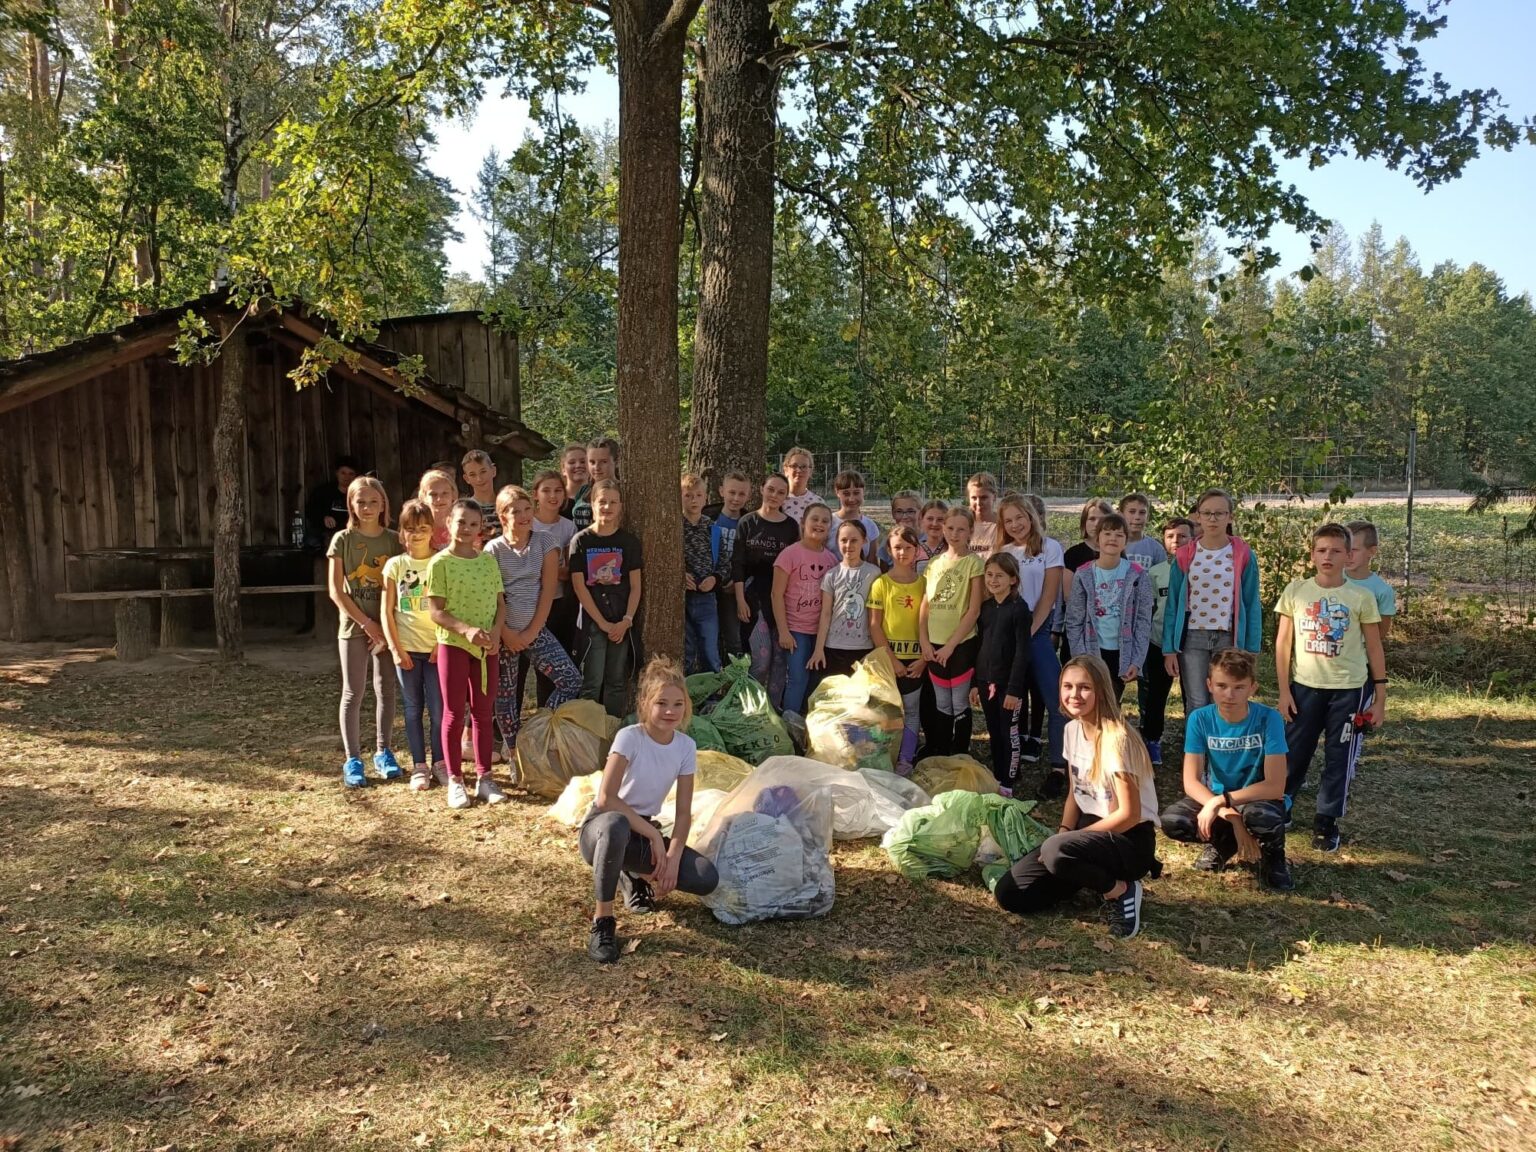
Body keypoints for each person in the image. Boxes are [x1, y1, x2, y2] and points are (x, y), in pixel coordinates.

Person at [994, 655, 1159, 938]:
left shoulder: (1117, 738)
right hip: (1087, 835)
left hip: (1129, 838)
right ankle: (1088, 876)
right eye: (1067, 686)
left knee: (1056, 851)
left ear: (1101, 690)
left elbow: (1129, 814)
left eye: (1084, 687)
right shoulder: (1072, 729)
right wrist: (1063, 833)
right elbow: (1074, 792)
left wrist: (1063, 845)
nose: (1074, 695)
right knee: (1010, 892)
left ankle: (1121, 890)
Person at [580, 656, 719, 964]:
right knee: (616, 824)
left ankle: (630, 872)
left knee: (705, 877)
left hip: (640, 832)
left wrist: (672, 858)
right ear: (644, 702)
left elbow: (683, 813)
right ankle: (603, 921)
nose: (670, 711)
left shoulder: (685, 747)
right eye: (661, 703)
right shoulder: (630, 737)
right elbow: (606, 798)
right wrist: (654, 838)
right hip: (602, 829)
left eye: (678, 704)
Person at [1275, 523, 1386, 852]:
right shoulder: (1296, 591)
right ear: (1312, 556)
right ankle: (1282, 804)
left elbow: (1375, 647)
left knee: (1339, 758)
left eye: (1336, 550)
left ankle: (1326, 820)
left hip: (1349, 691)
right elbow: (1283, 644)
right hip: (1304, 688)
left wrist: (1379, 697)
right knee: (1294, 752)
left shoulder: (1360, 597)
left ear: (1348, 555)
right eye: (1322, 550)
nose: (1328, 556)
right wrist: (1284, 691)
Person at [1159, 648, 1293, 890]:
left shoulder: (1269, 718)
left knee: (1261, 817)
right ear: (1209, 685)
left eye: (1238, 687)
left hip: (1257, 798)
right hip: (1221, 800)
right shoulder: (1200, 718)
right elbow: (1191, 782)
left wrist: (1221, 801)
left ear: (1253, 688)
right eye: (1222, 686)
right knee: (1173, 820)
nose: (1229, 695)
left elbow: (1275, 785)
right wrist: (1232, 818)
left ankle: (1274, 857)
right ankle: (1224, 843)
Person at [486, 485, 582, 762]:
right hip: (504, 634)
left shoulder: (545, 543)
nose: (524, 515)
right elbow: (493, 598)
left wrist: (530, 632)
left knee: (570, 679)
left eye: (528, 508)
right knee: (505, 696)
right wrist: (506, 634)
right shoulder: (493, 550)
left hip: (535, 630)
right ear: (503, 516)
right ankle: (515, 750)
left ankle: (538, 730)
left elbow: (548, 590)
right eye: (516, 511)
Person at [425, 500, 506, 810]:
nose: (467, 529)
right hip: (455, 645)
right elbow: (436, 611)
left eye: (473, 524)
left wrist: (496, 634)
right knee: (454, 712)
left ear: (480, 529)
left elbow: (501, 604)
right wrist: (466, 630)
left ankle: (486, 778)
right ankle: (456, 780)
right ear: (449, 523)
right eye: (461, 522)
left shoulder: (487, 561)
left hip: (486, 649)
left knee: (484, 713)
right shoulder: (440, 563)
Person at [327, 476, 404, 788]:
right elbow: (336, 590)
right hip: (354, 627)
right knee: (353, 692)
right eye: (361, 502)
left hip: (388, 628)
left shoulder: (395, 540)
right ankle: (353, 758)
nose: (368, 507)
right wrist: (366, 623)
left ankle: (384, 752)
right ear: (351, 505)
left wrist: (384, 625)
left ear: (383, 504)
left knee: (386, 689)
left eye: (374, 501)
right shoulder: (342, 540)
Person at [1162, 488, 1263, 714]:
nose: (1212, 519)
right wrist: (1169, 648)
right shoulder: (1185, 554)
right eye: (1206, 513)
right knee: (1197, 701)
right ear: (1197, 516)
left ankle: (1222, 748)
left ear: (1230, 516)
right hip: (1193, 639)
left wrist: (1251, 647)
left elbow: (1251, 602)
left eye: (1219, 513)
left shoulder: (1243, 553)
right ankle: (1196, 749)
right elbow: (1173, 604)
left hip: (1228, 637)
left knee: (1224, 699)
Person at [993, 495, 1067, 787]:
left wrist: (1027, 635)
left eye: (1019, 518)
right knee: (1010, 699)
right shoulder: (1003, 550)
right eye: (1008, 521)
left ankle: (1060, 765)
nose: (1015, 525)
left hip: (1035, 633)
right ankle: (1008, 759)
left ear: (1031, 516)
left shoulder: (1050, 548)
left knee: (1057, 699)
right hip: (1007, 634)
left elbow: (1048, 598)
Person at [382, 499, 446, 791]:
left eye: (422, 528)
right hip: (406, 651)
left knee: (438, 709)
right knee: (411, 709)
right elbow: (387, 610)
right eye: (410, 529)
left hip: (436, 650)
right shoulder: (395, 565)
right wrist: (395, 649)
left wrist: (440, 644)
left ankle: (441, 763)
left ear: (432, 530)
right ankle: (419, 765)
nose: (416, 534)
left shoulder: (442, 561)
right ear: (402, 533)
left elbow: (450, 607)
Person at [569, 480, 643, 718]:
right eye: (602, 501)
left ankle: (612, 732)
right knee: (592, 680)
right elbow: (580, 588)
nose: (607, 507)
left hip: (622, 622)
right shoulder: (581, 541)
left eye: (613, 502)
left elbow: (635, 586)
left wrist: (626, 620)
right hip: (594, 623)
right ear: (592, 504)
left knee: (617, 681)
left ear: (621, 506)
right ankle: (588, 734)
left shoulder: (629, 542)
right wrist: (602, 623)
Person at [1064, 512, 1153, 704]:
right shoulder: (1084, 574)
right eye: (1107, 533)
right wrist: (1080, 657)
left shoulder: (1137, 575)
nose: (1113, 538)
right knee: (1090, 703)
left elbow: (1144, 620)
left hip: (1122, 652)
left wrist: (1136, 660)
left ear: (1126, 541)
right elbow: (1074, 620)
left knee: (1111, 704)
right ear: (1097, 539)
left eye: (1119, 535)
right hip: (1092, 650)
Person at [919, 508, 986, 756]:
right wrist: (925, 641)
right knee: (942, 703)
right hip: (934, 645)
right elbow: (925, 606)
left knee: (958, 703)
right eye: (950, 528)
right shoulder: (934, 564)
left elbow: (974, 610)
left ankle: (960, 753)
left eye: (961, 529)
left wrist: (951, 646)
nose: (954, 534)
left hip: (960, 645)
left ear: (970, 531)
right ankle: (942, 750)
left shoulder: (974, 563)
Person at [733, 473, 800, 706]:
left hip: (782, 600)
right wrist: (740, 599)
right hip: (753, 599)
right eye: (771, 489)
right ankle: (751, 707)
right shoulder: (747, 522)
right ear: (762, 489)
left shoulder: (791, 527)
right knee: (761, 660)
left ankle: (774, 711)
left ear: (785, 497)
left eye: (781, 492)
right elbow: (738, 564)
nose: (774, 495)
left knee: (780, 661)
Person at [868, 525, 928, 776]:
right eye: (897, 548)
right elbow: (874, 624)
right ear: (889, 551)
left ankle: (905, 758)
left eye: (908, 547)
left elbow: (930, 625)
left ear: (917, 551)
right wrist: (892, 660)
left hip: (917, 660)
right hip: (888, 661)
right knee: (884, 709)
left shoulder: (925, 584)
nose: (902, 552)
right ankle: (881, 757)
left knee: (912, 711)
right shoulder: (881, 583)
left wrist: (923, 660)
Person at [972, 553, 1033, 793]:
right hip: (987, 681)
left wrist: (1015, 690)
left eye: (1000, 575)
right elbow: (981, 647)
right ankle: (999, 773)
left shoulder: (1020, 610)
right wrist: (976, 683)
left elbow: (1022, 653)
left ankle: (1008, 781)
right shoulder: (987, 608)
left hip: (1009, 686)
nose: (993, 580)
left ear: (1013, 579)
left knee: (1010, 733)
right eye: (989, 575)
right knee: (994, 730)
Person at [772, 503, 838, 716]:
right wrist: (784, 631)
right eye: (814, 519)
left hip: (821, 632)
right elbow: (776, 595)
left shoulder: (831, 560)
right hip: (796, 630)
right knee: (798, 678)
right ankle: (791, 723)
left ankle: (810, 725)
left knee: (816, 680)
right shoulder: (789, 555)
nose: (819, 524)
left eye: (825, 521)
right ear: (803, 523)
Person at [1139, 517, 1194, 766]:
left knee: (1193, 696)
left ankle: (1194, 744)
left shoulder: (1199, 569)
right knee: (1156, 695)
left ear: (1193, 539)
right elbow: (1148, 609)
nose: (1176, 541)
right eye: (1170, 536)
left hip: (1192, 642)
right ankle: (1152, 740)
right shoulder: (1155, 573)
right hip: (1159, 641)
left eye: (1182, 536)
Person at [809, 519, 881, 683]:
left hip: (864, 647)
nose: (849, 545)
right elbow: (826, 614)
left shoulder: (874, 573)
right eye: (844, 540)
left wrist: (878, 648)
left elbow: (877, 614)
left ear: (864, 541)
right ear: (837, 541)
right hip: (834, 646)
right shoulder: (831, 575)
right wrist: (819, 649)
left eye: (854, 540)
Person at [529, 469, 579, 701]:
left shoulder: (568, 527)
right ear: (535, 495)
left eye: (558, 490)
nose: (553, 496)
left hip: (562, 603)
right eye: (546, 490)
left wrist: (546, 570)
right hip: (533, 604)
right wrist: (550, 571)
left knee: (562, 662)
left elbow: (570, 571)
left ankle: (556, 718)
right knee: (540, 669)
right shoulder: (528, 524)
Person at [682, 472, 730, 675]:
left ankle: (712, 698)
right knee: (686, 650)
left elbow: (725, 563)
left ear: (705, 498)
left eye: (698, 495)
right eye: (688, 495)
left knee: (710, 648)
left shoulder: (712, 528)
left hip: (707, 598)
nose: (694, 500)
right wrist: (680, 576)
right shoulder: (673, 526)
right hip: (682, 599)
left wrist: (714, 579)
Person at [708, 471, 752, 662]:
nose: (736, 498)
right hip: (707, 585)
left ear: (748, 496)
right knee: (709, 637)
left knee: (733, 638)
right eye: (732, 492)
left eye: (741, 494)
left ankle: (735, 681)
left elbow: (752, 558)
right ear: (721, 491)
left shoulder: (750, 522)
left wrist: (738, 581)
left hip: (734, 588)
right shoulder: (708, 517)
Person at [1345, 520, 1396, 640]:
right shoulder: (1331, 580)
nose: (1348, 555)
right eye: (1344, 549)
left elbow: (1380, 635)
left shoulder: (1382, 591)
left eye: (1354, 550)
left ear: (1372, 551)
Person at [304, 455, 358, 551]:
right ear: (337, 473)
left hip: (352, 535)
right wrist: (323, 518)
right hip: (325, 536)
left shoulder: (360, 494)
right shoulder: (324, 492)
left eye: (351, 474)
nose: (347, 477)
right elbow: (310, 511)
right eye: (343, 473)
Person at [830, 470, 881, 563]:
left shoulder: (870, 526)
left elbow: (872, 561)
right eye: (846, 493)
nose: (852, 498)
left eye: (856, 493)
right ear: (837, 492)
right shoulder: (829, 523)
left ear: (863, 491)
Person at [571, 436, 620, 532]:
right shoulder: (584, 490)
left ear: (616, 461)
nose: (597, 467)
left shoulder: (621, 491)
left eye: (603, 462)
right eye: (592, 462)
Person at [461, 450, 500, 545]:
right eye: (472, 475)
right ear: (466, 479)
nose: (479, 479)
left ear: (493, 471)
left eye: (483, 471)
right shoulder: (465, 509)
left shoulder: (507, 505)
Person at [877, 491, 923, 570]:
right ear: (893, 514)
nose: (905, 516)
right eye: (899, 511)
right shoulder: (888, 542)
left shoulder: (929, 539)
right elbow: (884, 573)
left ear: (921, 513)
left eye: (910, 511)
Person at [1119, 493, 1167, 567]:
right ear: (1121, 515)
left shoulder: (1156, 548)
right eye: (1132, 512)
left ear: (1147, 517)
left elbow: (1162, 576)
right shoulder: (1113, 544)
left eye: (1142, 512)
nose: (1137, 517)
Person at [418, 468, 458, 552]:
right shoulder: (418, 527)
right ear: (424, 497)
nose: (439, 499)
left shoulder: (463, 524)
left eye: (445, 493)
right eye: (433, 494)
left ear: (453, 494)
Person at [780, 446, 822, 523]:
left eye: (804, 466)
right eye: (794, 466)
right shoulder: (777, 499)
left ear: (810, 471)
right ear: (786, 469)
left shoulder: (818, 502)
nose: (799, 470)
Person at [966, 472, 1000, 555]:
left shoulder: (1002, 524)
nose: (978, 503)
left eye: (984, 497)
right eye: (974, 498)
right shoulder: (964, 523)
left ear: (994, 497)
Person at [558, 443, 590, 522]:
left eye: (583, 462)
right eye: (572, 462)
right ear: (563, 469)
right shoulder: (556, 499)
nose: (578, 465)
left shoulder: (599, 496)